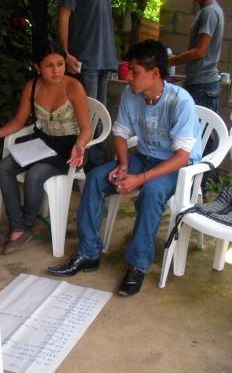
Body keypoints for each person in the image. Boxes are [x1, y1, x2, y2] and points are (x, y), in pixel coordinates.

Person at [48, 40, 202, 297]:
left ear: (154, 74)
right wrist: (123, 165)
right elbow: (120, 134)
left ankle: (137, 265)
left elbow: (182, 156)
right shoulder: (132, 94)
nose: (128, 77)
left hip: (177, 166)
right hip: (144, 157)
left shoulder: (180, 102)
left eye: (134, 72)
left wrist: (140, 178)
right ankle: (88, 252)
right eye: (128, 70)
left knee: (151, 191)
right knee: (96, 177)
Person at [0, 41, 92, 255]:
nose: (56, 70)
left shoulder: (73, 87)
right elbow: (18, 120)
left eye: (60, 64)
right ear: (37, 67)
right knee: (4, 167)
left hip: (70, 151)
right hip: (41, 145)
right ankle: (18, 224)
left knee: (35, 174)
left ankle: (25, 227)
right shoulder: (32, 86)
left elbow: (86, 129)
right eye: (49, 65)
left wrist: (80, 145)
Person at [168, 0, 224, 199]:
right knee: (197, 139)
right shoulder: (209, 10)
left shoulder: (209, 13)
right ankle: (195, 188)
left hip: (202, 84)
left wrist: (172, 60)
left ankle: (197, 190)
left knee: (198, 142)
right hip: (199, 82)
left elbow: (200, 51)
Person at [57, 0, 118, 170]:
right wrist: (65, 52)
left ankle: (94, 170)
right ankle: (78, 167)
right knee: (86, 119)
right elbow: (63, 16)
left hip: (104, 62)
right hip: (84, 61)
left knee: (100, 121)